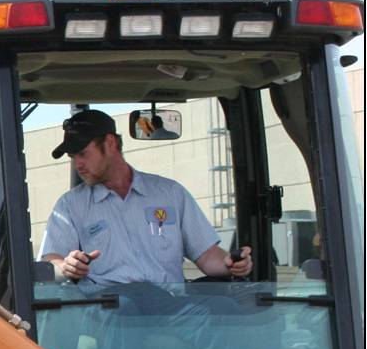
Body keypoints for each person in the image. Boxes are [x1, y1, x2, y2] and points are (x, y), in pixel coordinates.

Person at [40, 109, 252, 284]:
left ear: (110, 143)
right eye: (73, 157)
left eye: (83, 154)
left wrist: (231, 263)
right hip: (111, 314)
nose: (78, 165)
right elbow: (51, 261)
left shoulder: (170, 193)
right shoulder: (70, 206)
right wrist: (66, 266)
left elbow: (206, 255)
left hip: (170, 309)